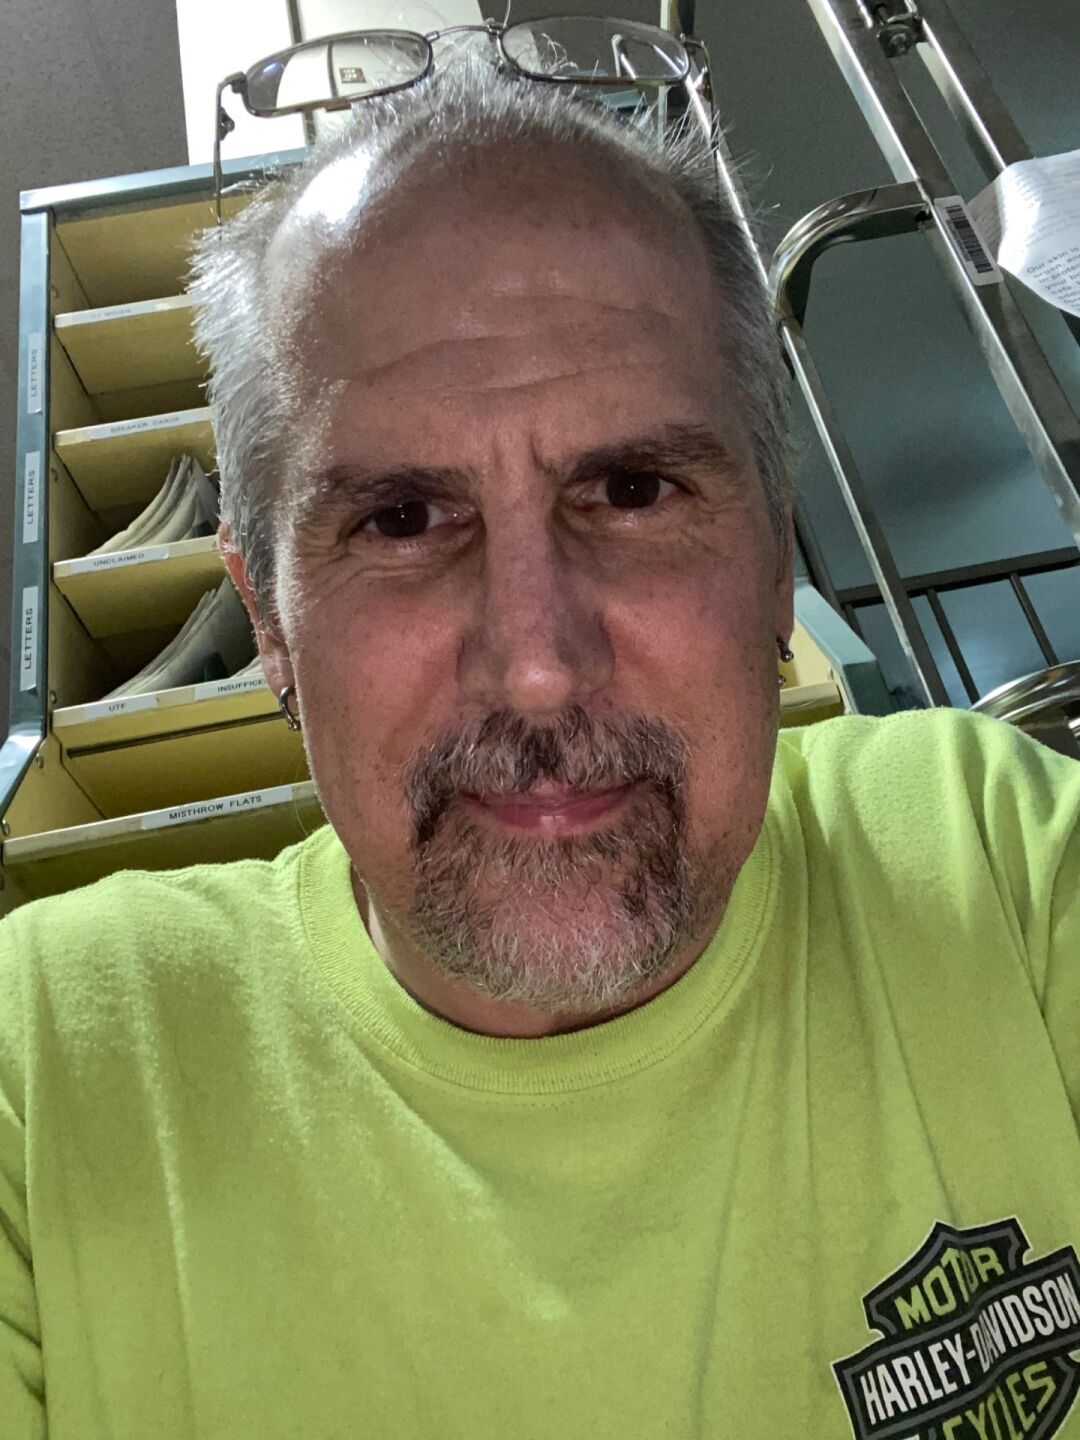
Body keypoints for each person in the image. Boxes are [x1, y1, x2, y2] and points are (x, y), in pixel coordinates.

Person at [2, 40, 1079, 1440]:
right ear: (267, 622)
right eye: (402, 520)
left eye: (632, 490)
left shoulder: (1000, 859)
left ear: (774, 562)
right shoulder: (43, 1072)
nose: (536, 663)